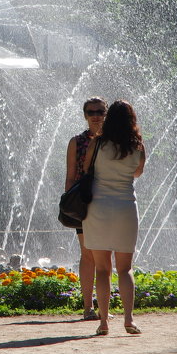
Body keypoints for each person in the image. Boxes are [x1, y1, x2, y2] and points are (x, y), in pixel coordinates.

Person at [81, 99, 146, 336]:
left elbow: (87, 169)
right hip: (126, 207)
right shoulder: (137, 145)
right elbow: (137, 173)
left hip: (98, 208)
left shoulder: (97, 143)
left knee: (102, 269)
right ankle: (129, 320)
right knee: (125, 268)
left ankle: (103, 323)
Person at [65, 97, 107, 320]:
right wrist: (70, 206)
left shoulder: (111, 142)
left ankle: (104, 308)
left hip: (108, 202)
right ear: (85, 115)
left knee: (104, 255)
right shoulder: (76, 142)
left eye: (100, 111)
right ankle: (88, 307)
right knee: (87, 254)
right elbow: (70, 176)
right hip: (85, 202)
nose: (96, 116)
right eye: (91, 112)